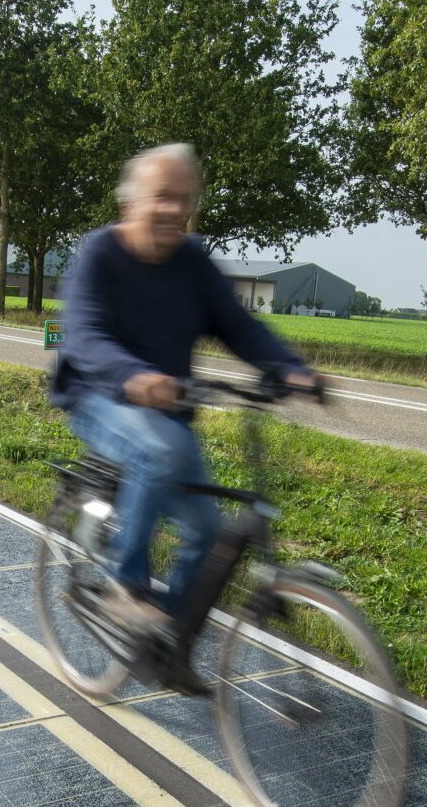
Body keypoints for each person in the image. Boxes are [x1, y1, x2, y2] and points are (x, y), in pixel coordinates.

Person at [49, 144, 322, 649]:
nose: (176, 209)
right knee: (157, 451)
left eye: (185, 198)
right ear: (129, 205)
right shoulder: (100, 253)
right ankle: (124, 587)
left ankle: (166, 643)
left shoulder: (193, 261)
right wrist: (134, 376)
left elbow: (238, 325)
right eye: (163, 197)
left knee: (208, 532)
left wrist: (290, 370)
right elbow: (83, 334)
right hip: (98, 396)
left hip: (166, 411)